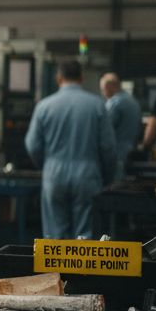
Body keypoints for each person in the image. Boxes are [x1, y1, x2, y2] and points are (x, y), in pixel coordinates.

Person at [25, 59, 116, 239]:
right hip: (88, 175)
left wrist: (47, 165)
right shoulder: (97, 105)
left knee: (54, 241)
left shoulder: (44, 106)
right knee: (85, 239)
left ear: (58, 78)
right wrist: (106, 177)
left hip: (54, 174)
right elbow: (108, 147)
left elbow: (32, 145)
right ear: (81, 78)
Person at [100, 71, 141, 179]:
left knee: (115, 185)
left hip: (116, 154)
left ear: (110, 86)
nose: (103, 93)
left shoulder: (114, 103)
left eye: (103, 89)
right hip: (130, 152)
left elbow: (104, 129)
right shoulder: (133, 101)